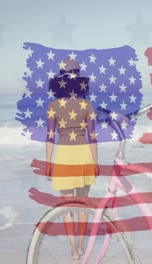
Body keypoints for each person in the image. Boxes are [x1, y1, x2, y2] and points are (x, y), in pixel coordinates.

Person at [45, 59, 98, 260]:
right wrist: (95, 162)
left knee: (67, 205)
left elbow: (50, 137)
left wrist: (48, 163)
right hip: (84, 154)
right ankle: (82, 246)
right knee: (83, 203)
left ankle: (74, 250)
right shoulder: (87, 104)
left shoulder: (53, 105)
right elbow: (93, 137)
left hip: (64, 156)